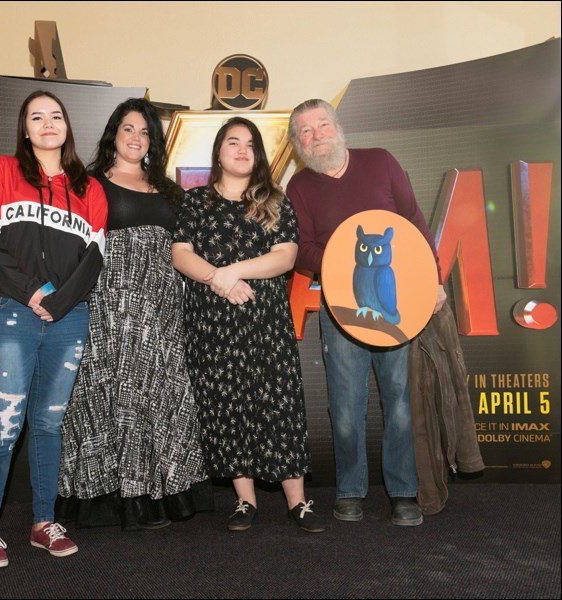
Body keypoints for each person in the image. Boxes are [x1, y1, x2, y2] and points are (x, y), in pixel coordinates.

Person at [286, 98, 447, 527]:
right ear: (298, 144)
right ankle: (350, 490)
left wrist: (434, 279)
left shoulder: (381, 162)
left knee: (399, 401)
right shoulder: (299, 186)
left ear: (338, 127)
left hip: (399, 307)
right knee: (344, 405)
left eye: (322, 124)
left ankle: (403, 493)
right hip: (340, 310)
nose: (316, 135)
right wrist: (342, 262)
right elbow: (301, 250)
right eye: (306, 131)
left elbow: (413, 221)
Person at [56, 97, 211, 530]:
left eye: (145, 132)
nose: (136, 138)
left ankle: (154, 494)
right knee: (112, 396)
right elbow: (50, 224)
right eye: (128, 129)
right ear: (113, 134)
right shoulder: (86, 184)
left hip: (160, 308)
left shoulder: (169, 191)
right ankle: (115, 498)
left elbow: (190, 247)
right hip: (110, 308)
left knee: (159, 396)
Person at [0, 90, 108, 569]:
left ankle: (43, 522)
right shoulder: (3, 171)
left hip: (68, 319)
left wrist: (59, 302)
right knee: (2, 428)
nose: (47, 123)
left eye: (56, 116)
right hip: (9, 310)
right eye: (36, 117)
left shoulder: (89, 188)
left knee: (48, 425)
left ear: (66, 126)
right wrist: (34, 294)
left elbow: (94, 259)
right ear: (25, 129)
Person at [172, 116, 325, 533]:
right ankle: (245, 501)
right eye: (232, 142)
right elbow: (181, 253)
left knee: (280, 406)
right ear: (218, 151)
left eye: (250, 144)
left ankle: (298, 501)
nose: (242, 150)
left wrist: (231, 271)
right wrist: (218, 282)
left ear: (257, 155)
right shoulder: (195, 201)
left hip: (266, 323)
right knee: (227, 407)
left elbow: (285, 257)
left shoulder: (274, 199)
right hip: (212, 324)